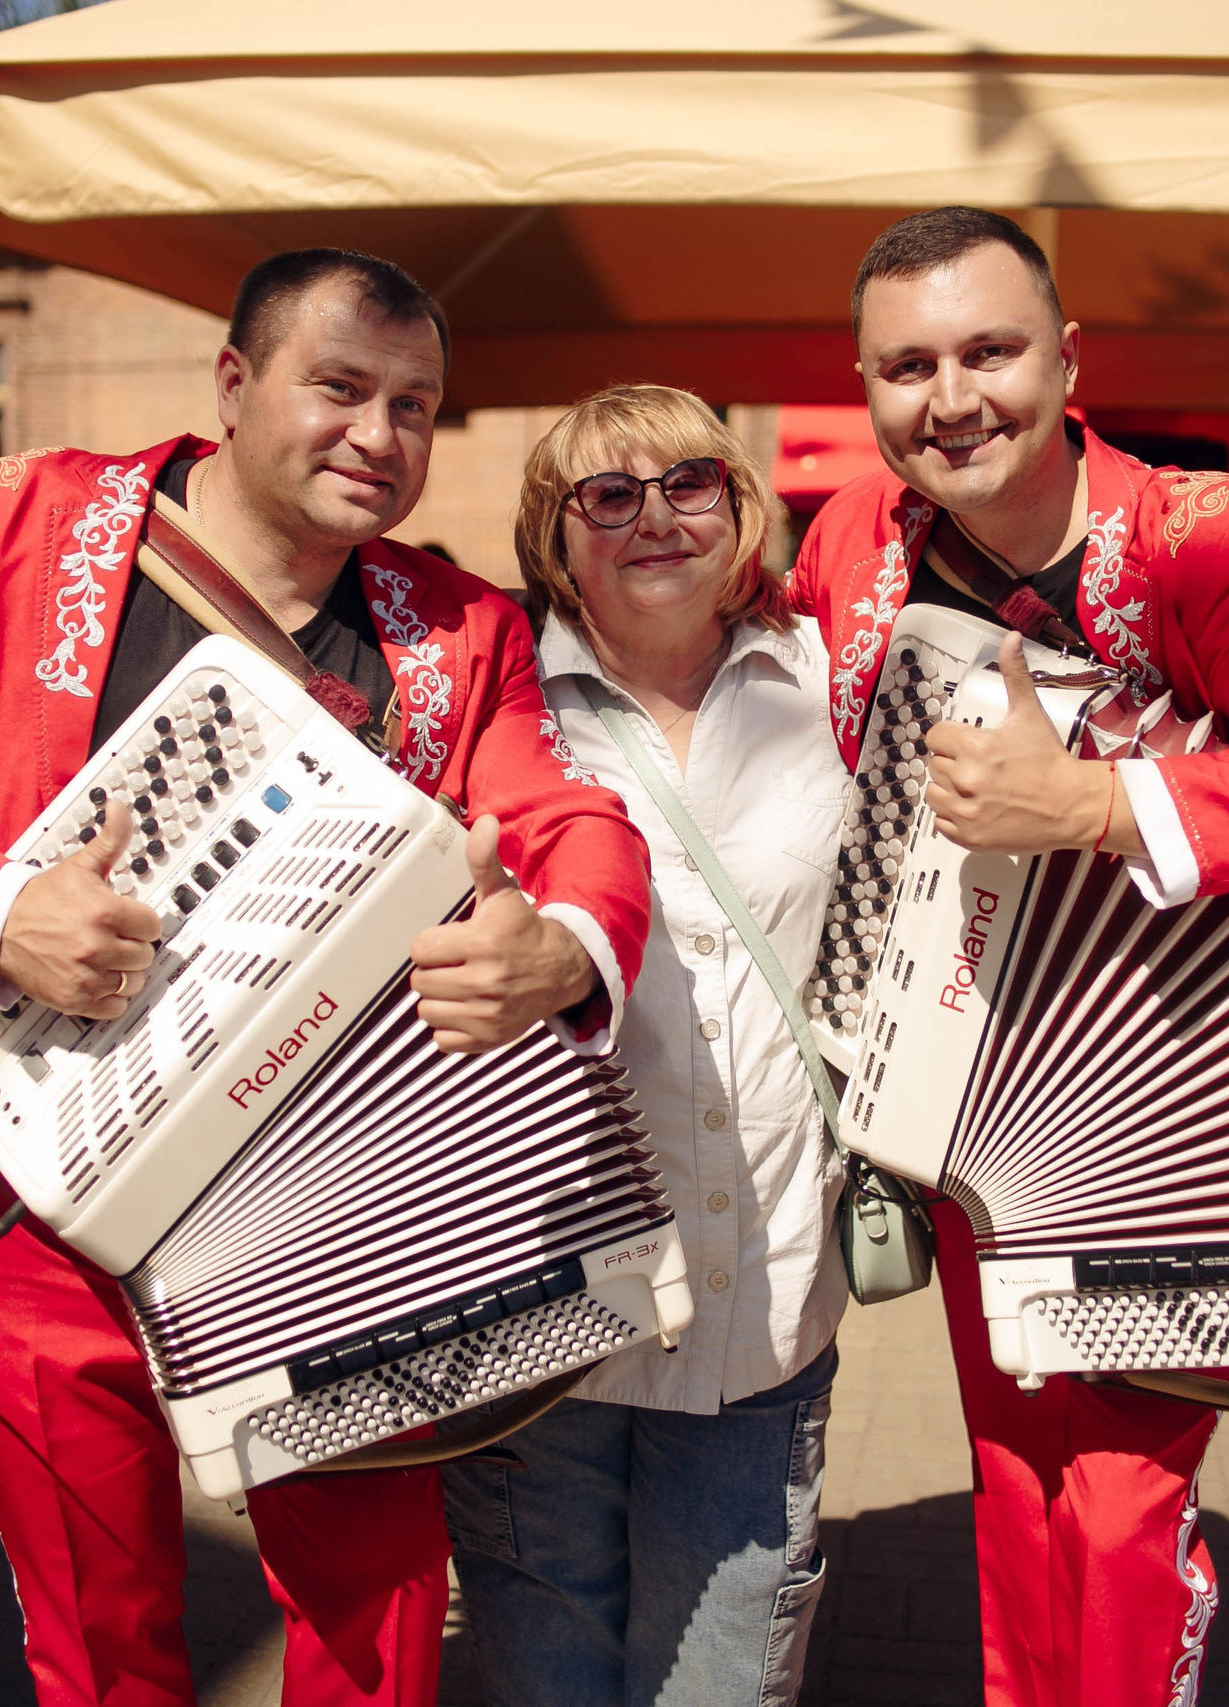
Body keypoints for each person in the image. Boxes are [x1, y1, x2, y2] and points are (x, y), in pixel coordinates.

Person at [0, 250, 654, 1707]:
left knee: (374, 1616)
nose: (381, 435)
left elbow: (573, 823)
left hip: (345, 1203)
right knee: (94, 1628)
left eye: (417, 405)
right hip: (34, 1185)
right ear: (233, 386)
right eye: (343, 387)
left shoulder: (459, 624)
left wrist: (563, 944)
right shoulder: (7, 526)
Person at [785, 207, 1229, 1706]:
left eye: (990, 350)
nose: (951, 397)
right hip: (964, 1102)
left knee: (1112, 1496)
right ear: (864, 382)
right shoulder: (850, 538)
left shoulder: (1204, 538)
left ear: (1069, 358)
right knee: (1019, 1478)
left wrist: (1096, 801)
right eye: (907, 366)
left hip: (1170, 1108)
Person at [442, 386, 847, 1707]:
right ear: (555, 542)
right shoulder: (491, 710)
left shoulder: (831, 681)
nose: (656, 517)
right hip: (542, 1289)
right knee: (541, 1670)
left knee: (726, 1678)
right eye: (606, 495)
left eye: (691, 483)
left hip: (763, 1293)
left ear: (740, 504)